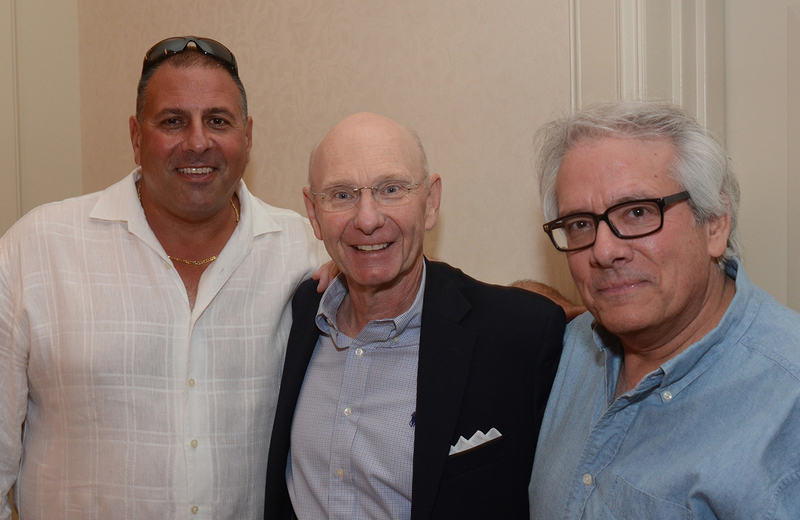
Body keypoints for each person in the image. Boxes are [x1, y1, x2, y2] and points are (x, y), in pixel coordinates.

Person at [0, 36, 328, 519]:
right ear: (136, 136)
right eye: (172, 121)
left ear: (249, 135)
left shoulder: (307, 251)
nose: (197, 141)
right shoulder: (35, 249)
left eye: (218, 120)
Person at [263, 112, 566, 519]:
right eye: (341, 195)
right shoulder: (300, 312)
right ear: (313, 213)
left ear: (431, 201)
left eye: (391, 189)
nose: (367, 219)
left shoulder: (522, 334)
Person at [528, 101, 800, 518]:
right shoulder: (568, 348)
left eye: (638, 212)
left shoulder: (788, 401)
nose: (604, 251)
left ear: (714, 224)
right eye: (580, 224)